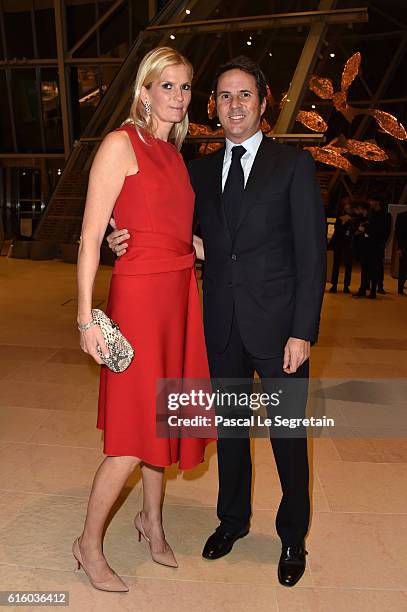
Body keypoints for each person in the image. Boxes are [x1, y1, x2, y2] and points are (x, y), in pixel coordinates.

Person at [109, 55, 326, 587]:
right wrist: (123, 239)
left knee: (287, 437)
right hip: (220, 326)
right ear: (214, 105)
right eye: (224, 96)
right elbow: (170, 227)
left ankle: (292, 535)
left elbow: (312, 255)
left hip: (279, 331)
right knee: (229, 433)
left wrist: (302, 330)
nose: (234, 105)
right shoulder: (197, 168)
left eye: (244, 95)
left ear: (263, 101)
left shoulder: (292, 164)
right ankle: (232, 522)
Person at [76, 47, 213, 593]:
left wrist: (198, 246)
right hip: (138, 300)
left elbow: (167, 224)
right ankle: (87, 545)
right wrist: (87, 319)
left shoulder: (173, 154)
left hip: (179, 296)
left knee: (166, 417)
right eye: (167, 86)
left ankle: (151, 522)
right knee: (134, 435)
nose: (178, 97)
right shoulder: (120, 143)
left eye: (185, 87)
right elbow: (90, 235)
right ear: (145, 89)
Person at [329, 197, 354, 293]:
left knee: (348, 266)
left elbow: (353, 230)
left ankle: (346, 286)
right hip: (339, 243)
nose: (347, 207)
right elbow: (336, 228)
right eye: (345, 205)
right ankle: (334, 284)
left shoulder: (354, 217)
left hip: (349, 244)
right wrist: (343, 223)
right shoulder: (340, 216)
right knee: (336, 265)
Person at [395, 207, 407, 296]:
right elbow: (398, 233)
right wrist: (399, 248)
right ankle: (400, 288)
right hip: (404, 246)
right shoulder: (401, 216)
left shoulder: (401, 216)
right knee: (403, 268)